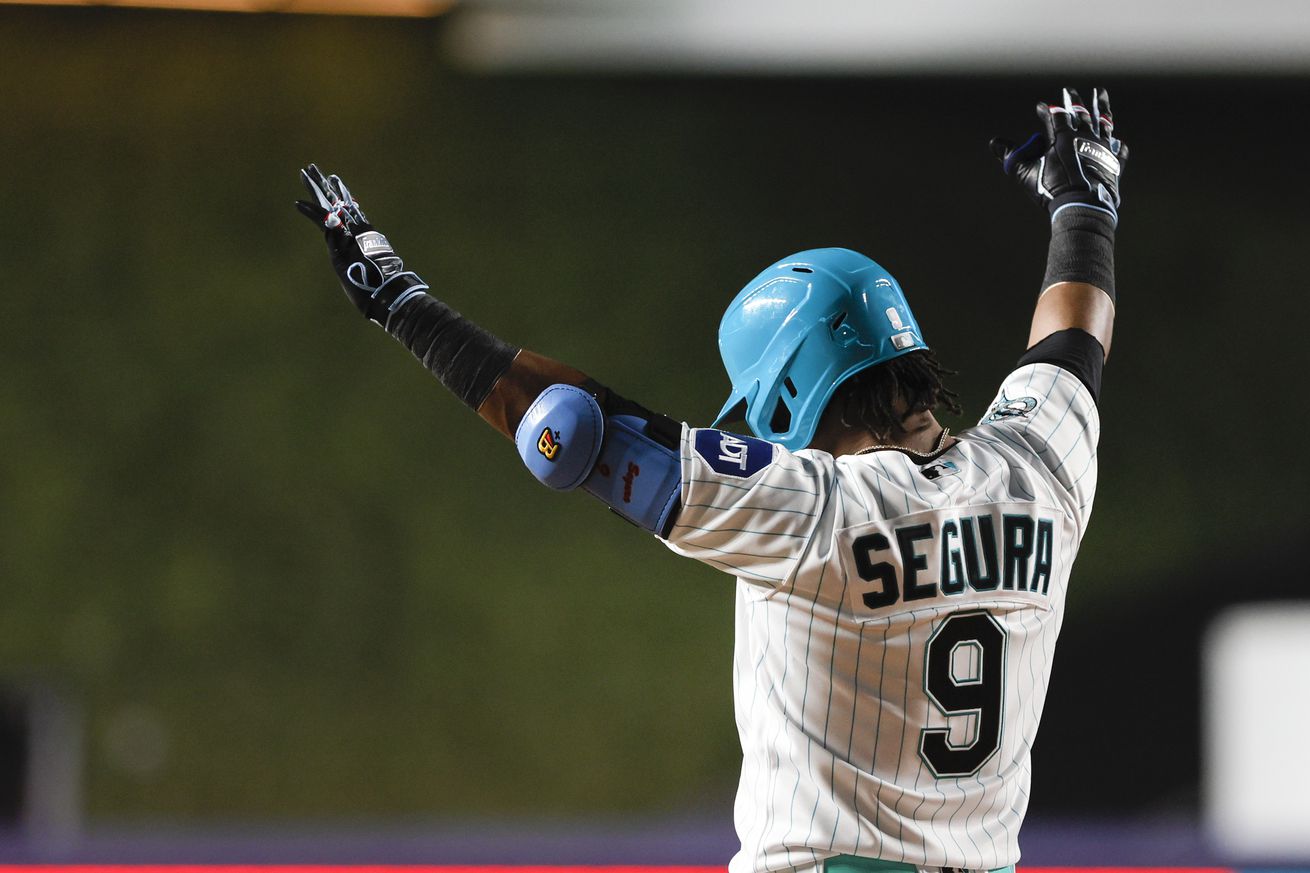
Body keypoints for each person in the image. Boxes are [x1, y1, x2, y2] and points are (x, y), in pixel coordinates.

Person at [296, 85, 1125, 873]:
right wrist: (1085, 206)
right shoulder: (1036, 466)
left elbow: (573, 425)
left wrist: (404, 306)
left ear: (793, 385)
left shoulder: (818, 506)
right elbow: (1073, 338)